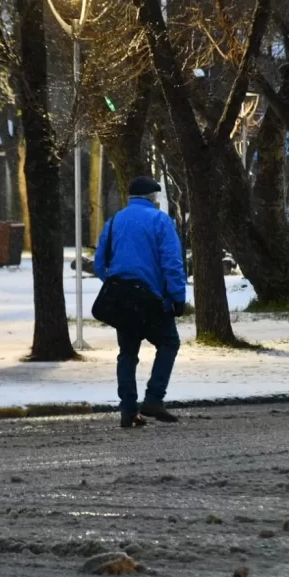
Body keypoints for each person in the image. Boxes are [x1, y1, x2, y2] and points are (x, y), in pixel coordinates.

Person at [95, 176, 186, 428]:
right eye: (157, 196)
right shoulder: (161, 221)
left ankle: (128, 410)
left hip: (122, 300)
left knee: (127, 354)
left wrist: (115, 283)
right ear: (152, 197)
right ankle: (154, 399)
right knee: (169, 343)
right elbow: (172, 262)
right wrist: (177, 297)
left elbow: (100, 263)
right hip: (152, 299)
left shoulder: (114, 222)